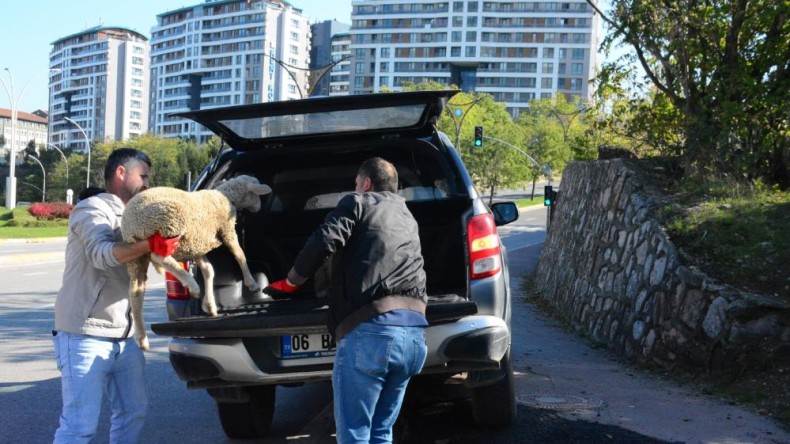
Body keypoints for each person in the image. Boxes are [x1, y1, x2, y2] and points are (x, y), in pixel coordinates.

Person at [264, 157, 429, 443]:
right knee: (380, 432)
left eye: (356, 183)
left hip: (372, 335)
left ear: (365, 184)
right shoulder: (407, 215)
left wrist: (292, 282)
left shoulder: (357, 202)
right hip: (414, 339)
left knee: (354, 434)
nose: (354, 188)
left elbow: (324, 240)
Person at [53, 148, 158, 444]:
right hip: (85, 335)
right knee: (79, 426)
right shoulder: (91, 209)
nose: (147, 183)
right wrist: (150, 244)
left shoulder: (135, 215)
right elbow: (101, 254)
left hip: (125, 338)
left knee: (132, 414)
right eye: (143, 175)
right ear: (121, 173)